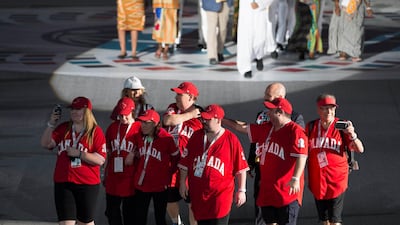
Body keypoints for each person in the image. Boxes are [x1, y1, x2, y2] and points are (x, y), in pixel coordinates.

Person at [223, 97, 308, 225]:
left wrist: (295, 179)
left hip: (287, 192)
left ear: (280, 112)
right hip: (268, 191)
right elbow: (242, 127)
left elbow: (301, 156)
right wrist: (222, 119)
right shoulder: (267, 128)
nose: (267, 113)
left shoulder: (295, 131)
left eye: (270, 110)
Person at [40, 96, 107, 225]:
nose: (74, 112)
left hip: (87, 184)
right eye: (72, 109)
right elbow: (46, 144)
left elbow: (100, 159)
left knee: (85, 222)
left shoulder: (95, 132)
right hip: (63, 182)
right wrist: (51, 124)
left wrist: (80, 154)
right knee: (66, 223)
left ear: (87, 111)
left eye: (78, 109)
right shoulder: (63, 128)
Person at [178, 104, 249, 225]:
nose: (204, 121)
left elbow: (241, 168)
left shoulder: (231, 139)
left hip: (220, 197)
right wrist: (182, 183)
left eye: (208, 119)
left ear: (218, 120)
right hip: (198, 196)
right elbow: (185, 163)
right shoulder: (196, 136)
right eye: (204, 118)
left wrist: (242, 190)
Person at [246, 82, 305, 225]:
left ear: (280, 97)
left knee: (283, 215)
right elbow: (256, 139)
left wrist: (295, 177)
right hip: (263, 170)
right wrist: (251, 161)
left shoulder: (295, 118)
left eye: (268, 96)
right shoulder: (262, 115)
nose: (264, 99)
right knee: (262, 213)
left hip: (282, 175)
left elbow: (300, 149)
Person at [306, 94, 364, 225]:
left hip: (337, 180)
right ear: (318, 109)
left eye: (332, 108)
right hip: (318, 181)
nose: (329, 112)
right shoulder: (311, 127)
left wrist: (352, 134)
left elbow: (360, 149)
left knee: (335, 220)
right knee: (323, 220)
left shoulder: (340, 126)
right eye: (325, 108)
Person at [131, 109, 180, 225]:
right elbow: (138, 152)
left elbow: (176, 157)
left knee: (160, 217)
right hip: (142, 184)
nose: (142, 125)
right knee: (140, 216)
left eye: (146, 123)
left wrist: (167, 174)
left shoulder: (166, 139)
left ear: (155, 124)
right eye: (141, 122)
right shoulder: (139, 136)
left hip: (160, 185)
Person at [163, 81, 203, 225]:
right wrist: (190, 115)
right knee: (169, 198)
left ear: (191, 97)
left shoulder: (202, 116)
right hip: (171, 165)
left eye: (180, 95)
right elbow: (167, 120)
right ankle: (177, 222)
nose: (176, 98)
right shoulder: (173, 108)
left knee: (192, 203)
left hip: (191, 167)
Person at [104, 97, 141, 225]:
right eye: (120, 115)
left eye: (126, 115)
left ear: (132, 111)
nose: (123, 118)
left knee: (129, 213)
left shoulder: (140, 127)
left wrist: (135, 152)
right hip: (113, 176)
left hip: (131, 177)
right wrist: (104, 171)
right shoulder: (112, 128)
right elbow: (107, 151)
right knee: (111, 211)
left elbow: (150, 145)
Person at [236, 0, 269, 78]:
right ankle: (245, 68)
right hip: (246, 10)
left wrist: (261, 4)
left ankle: (259, 56)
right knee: (245, 40)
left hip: (260, 11)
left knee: (260, 39)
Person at [201, 0, 233, 65]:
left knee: (223, 29)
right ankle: (212, 56)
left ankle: (219, 51)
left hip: (225, 2)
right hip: (211, 2)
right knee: (212, 29)